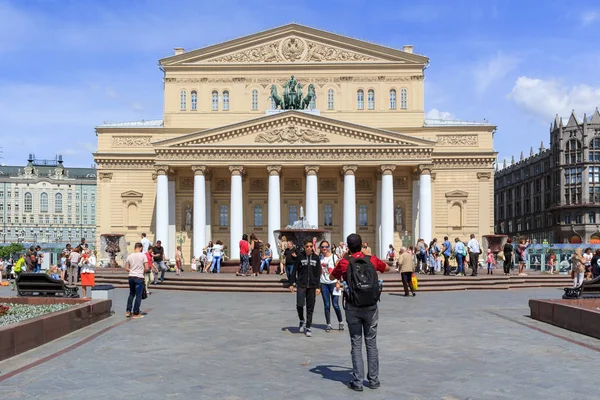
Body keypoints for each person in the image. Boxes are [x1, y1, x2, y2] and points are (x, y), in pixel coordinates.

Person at [330, 233, 390, 392]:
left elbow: (331, 276)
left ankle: (357, 382)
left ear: (348, 247)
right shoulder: (372, 259)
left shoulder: (344, 262)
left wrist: (344, 258)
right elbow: (387, 268)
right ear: (362, 245)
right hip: (371, 307)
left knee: (356, 343)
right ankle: (374, 380)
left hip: (352, 307)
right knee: (371, 343)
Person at [289, 239, 321, 338]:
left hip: (312, 286)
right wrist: (291, 283)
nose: (309, 248)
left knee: (310, 308)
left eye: (311, 246)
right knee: (299, 304)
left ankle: (308, 327)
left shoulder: (316, 258)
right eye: (307, 246)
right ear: (304, 247)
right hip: (301, 284)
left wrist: (318, 286)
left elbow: (317, 273)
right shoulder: (300, 257)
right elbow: (294, 270)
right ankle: (302, 319)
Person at [318, 240, 344, 332]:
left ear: (328, 247)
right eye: (322, 247)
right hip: (323, 283)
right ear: (320, 248)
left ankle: (340, 322)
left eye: (326, 246)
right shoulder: (320, 257)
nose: (324, 248)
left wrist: (338, 282)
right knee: (326, 305)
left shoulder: (334, 256)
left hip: (333, 283)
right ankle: (328, 324)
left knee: (336, 304)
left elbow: (338, 270)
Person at [125, 242, 149, 319]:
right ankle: (136, 312)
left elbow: (126, 268)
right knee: (138, 295)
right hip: (139, 277)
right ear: (140, 247)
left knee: (131, 294)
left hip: (131, 277)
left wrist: (132, 270)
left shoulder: (130, 256)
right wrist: (142, 271)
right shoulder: (143, 255)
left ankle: (128, 311)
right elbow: (147, 267)